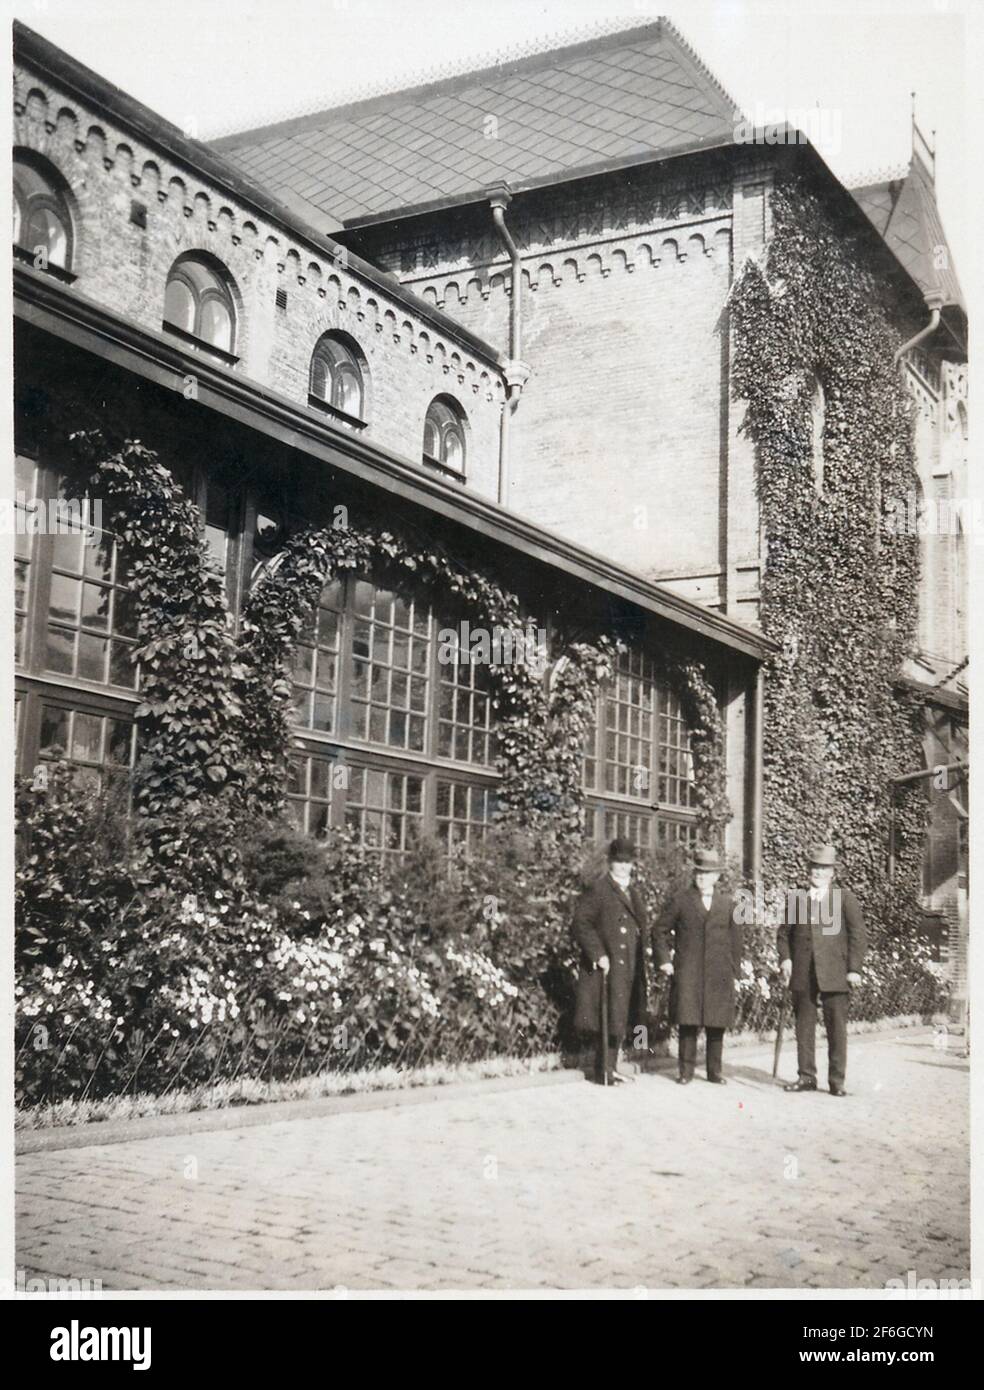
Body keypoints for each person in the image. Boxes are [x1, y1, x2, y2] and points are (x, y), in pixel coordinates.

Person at [778, 842, 867, 1097]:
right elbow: (783, 934)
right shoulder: (797, 898)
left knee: (836, 1028)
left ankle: (836, 1081)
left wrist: (854, 969)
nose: (818, 873)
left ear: (832, 872)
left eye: (823, 868)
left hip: (835, 972)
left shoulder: (844, 898)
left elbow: (858, 935)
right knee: (803, 1026)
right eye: (814, 868)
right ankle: (806, 1077)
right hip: (803, 971)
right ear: (809, 870)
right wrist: (785, 959)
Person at [573, 837, 663, 1084]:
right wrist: (598, 954)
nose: (623, 867)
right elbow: (581, 924)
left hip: (630, 965)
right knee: (608, 1015)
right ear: (610, 863)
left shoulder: (633, 892)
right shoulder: (600, 889)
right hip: (610, 965)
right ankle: (603, 1070)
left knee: (620, 1016)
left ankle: (610, 1067)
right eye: (619, 862)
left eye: (627, 862)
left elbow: (641, 925)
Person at [656, 847, 742, 1085]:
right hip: (689, 970)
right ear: (694, 875)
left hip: (719, 972)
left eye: (708, 873)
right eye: (699, 873)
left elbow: (736, 939)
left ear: (717, 877)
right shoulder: (681, 901)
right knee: (688, 1021)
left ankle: (715, 1072)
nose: (702, 877)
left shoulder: (728, 904)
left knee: (717, 1024)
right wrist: (664, 960)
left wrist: (736, 970)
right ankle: (685, 1071)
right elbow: (660, 930)